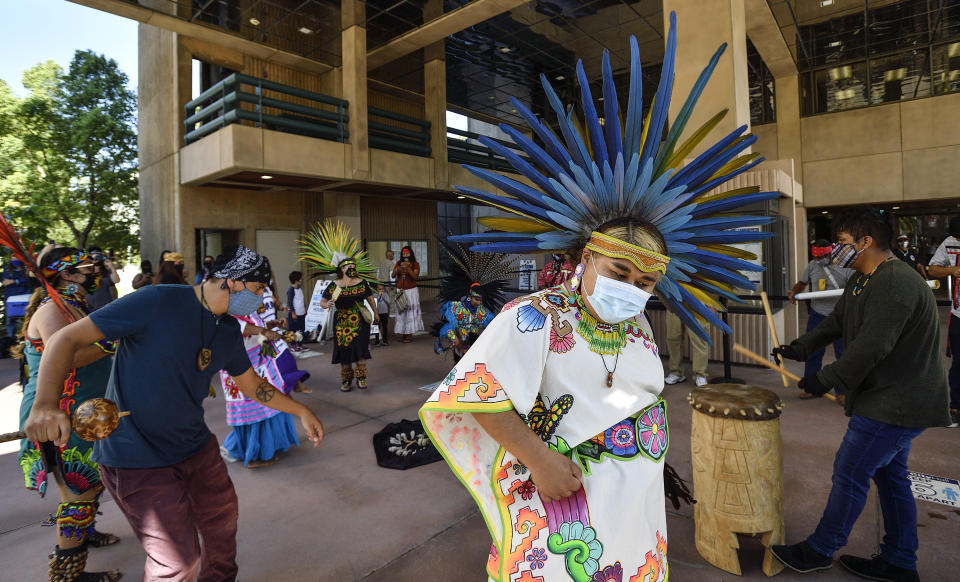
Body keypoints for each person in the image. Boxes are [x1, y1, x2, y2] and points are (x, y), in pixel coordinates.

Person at [420, 19, 775, 578]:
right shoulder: (532, 317)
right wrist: (538, 460)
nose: (630, 289)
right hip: (565, 502)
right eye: (618, 271)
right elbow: (477, 394)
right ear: (585, 257)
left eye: (644, 283)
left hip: (634, 505)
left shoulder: (638, 327)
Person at [23, 244, 324, 581]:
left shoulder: (227, 331)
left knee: (222, 531)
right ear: (234, 282)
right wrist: (45, 404)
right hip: (136, 456)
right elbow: (64, 340)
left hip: (196, 447)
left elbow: (253, 385)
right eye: (257, 290)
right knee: (177, 562)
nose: (259, 300)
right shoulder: (157, 300)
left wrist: (300, 410)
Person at [770, 208, 950, 582]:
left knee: (850, 472)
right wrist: (799, 350)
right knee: (890, 477)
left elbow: (872, 347)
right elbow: (837, 324)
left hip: (897, 402)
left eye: (842, 242)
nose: (836, 249)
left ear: (866, 242)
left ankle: (819, 549)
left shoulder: (896, 281)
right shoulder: (861, 280)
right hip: (887, 398)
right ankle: (900, 561)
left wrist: (825, 378)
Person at [15, 247, 122, 582]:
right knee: (78, 490)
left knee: (92, 480)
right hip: (59, 415)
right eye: (88, 268)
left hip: (85, 411)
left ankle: (83, 532)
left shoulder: (71, 307)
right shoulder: (51, 311)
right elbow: (68, 358)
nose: (95, 273)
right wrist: (114, 341)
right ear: (67, 274)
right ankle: (68, 571)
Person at [300, 220, 381, 391]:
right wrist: (326, 304)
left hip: (360, 320)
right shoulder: (334, 285)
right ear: (341, 269)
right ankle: (346, 380)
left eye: (353, 265)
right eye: (348, 266)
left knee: (360, 351)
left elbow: (371, 299)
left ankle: (362, 378)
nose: (352, 267)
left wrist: (376, 314)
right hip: (342, 322)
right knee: (344, 353)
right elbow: (322, 302)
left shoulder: (362, 282)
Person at [219, 312, 301, 468]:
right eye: (257, 288)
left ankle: (267, 447)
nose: (260, 293)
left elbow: (256, 327)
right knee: (256, 409)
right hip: (243, 364)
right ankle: (256, 455)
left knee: (270, 404)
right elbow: (240, 327)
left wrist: (272, 324)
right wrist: (264, 332)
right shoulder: (226, 310)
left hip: (258, 362)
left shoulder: (246, 308)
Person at [787, 239, 855, 402]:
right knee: (812, 351)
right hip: (817, 314)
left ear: (830, 253)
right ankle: (812, 388)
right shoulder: (812, 265)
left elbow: (855, 286)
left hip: (840, 315)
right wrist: (794, 292)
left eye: (822, 257)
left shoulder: (845, 266)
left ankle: (843, 392)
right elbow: (802, 282)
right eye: (816, 258)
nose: (819, 261)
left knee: (843, 353)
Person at [432, 239, 511, 362]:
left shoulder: (483, 312)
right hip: (459, 342)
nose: (479, 302)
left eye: (480, 300)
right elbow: (448, 328)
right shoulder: (455, 308)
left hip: (473, 343)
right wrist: (458, 343)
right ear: (470, 296)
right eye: (476, 299)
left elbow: (492, 327)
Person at [926, 216, 960, 428]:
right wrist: (952, 270)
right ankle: (956, 408)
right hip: (958, 314)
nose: (957, 239)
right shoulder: (950, 242)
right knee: (958, 363)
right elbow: (932, 269)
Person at [663, 310, 711, 387]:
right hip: (673, 302)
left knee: (699, 339)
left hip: (697, 302)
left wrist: (712, 305)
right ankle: (676, 372)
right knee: (673, 338)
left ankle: (700, 374)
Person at [393, 246, 424, 342]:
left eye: (407, 253)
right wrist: (398, 269)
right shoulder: (398, 263)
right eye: (403, 254)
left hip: (411, 291)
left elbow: (415, 276)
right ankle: (404, 333)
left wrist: (407, 268)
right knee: (401, 311)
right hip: (400, 291)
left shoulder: (415, 264)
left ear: (411, 254)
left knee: (409, 312)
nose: (405, 255)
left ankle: (409, 334)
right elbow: (393, 275)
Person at [3, 258, 34, 338]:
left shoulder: (27, 267)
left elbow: (28, 279)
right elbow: (6, 281)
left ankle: (29, 337)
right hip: (10, 298)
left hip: (25, 297)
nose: (14, 259)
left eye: (16, 257)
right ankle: (11, 339)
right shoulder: (7, 269)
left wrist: (14, 281)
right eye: (12, 257)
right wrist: (20, 281)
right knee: (10, 320)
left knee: (28, 318)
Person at [85, 247, 121, 311]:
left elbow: (116, 280)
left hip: (106, 305)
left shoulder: (106, 269)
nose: (96, 258)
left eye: (98, 255)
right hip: (90, 306)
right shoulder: (86, 269)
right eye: (93, 255)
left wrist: (111, 266)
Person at [286, 270, 306, 351]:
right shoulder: (291, 290)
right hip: (295, 314)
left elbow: (301, 300)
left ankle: (300, 344)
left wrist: (305, 309)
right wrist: (293, 313)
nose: (302, 279)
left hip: (301, 313)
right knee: (293, 330)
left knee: (301, 329)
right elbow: (290, 302)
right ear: (296, 280)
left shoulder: (300, 289)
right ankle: (292, 345)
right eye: (300, 278)